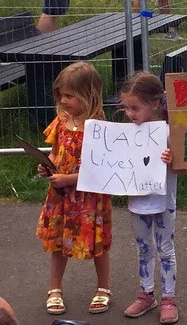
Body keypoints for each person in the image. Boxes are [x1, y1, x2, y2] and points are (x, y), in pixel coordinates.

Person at [35, 62, 112, 315]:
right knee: (58, 240)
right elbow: (56, 152)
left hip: (89, 196)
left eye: (69, 95)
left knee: (97, 243)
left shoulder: (99, 125)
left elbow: (100, 168)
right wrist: (48, 166)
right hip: (61, 194)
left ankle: (103, 287)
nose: (63, 100)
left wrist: (69, 179)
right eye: (61, 95)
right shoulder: (61, 121)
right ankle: (54, 288)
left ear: (88, 93)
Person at [120, 73, 182, 324]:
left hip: (164, 202)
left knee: (166, 249)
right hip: (137, 202)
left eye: (135, 107)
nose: (130, 113)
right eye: (126, 108)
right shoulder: (125, 134)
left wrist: (172, 160)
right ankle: (146, 294)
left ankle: (169, 297)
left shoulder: (169, 132)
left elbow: (183, 169)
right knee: (143, 249)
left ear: (155, 103)